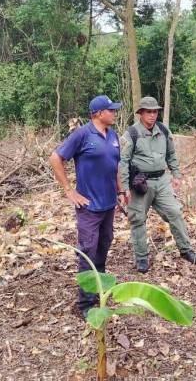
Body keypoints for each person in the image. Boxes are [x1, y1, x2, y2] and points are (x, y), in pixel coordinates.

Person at [49, 95, 128, 318]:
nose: (114, 113)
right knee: (88, 251)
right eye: (110, 110)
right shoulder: (82, 134)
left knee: (104, 246)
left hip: (108, 204)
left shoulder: (112, 135)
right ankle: (85, 304)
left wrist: (121, 191)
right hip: (89, 207)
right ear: (98, 114)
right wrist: (69, 190)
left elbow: (115, 166)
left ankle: (98, 288)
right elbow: (56, 158)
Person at [120, 96, 196, 273]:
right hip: (140, 183)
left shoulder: (163, 131)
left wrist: (176, 174)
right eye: (148, 112)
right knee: (138, 219)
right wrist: (124, 188)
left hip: (162, 180)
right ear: (141, 113)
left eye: (155, 111)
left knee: (175, 212)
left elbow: (171, 154)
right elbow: (123, 162)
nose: (152, 115)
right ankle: (142, 258)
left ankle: (186, 250)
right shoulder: (131, 134)